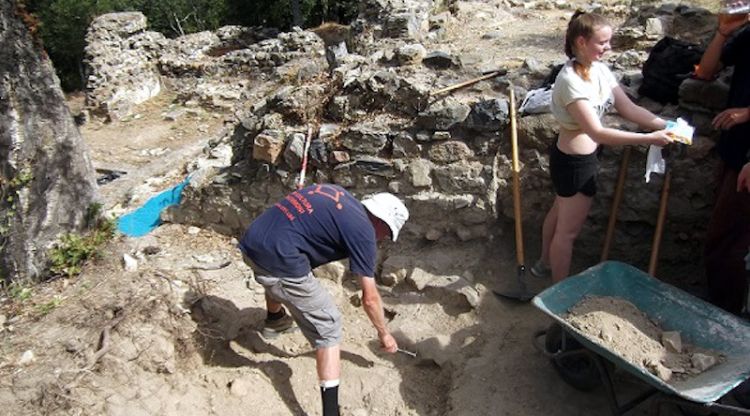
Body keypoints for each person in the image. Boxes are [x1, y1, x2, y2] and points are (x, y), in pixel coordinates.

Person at [238, 183, 409, 416]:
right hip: (276, 262)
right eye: (387, 234)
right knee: (329, 326)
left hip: (252, 241)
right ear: (382, 223)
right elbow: (370, 299)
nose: (383, 239)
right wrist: (384, 333)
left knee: (285, 274)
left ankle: (275, 319)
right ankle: (331, 413)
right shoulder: (364, 233)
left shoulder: (336, 193)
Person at [532, 11, 672, 282]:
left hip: (580, 158)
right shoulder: (570, 81)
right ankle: (559, 291)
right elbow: (596, 131)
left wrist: (665, 124)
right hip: (574, 164)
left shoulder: (599, 70)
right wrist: (648, 139)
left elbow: (628, 108)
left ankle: (543, 264)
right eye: (603, 42)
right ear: (581, 42)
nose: (608, 48)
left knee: (560, 211)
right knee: (567, 232)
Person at [694, 13, 750, 316]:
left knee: (728, 244)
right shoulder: (746, 34)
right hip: (734, 152)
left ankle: (725, 319)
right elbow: (705, 71)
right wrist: (722, 32)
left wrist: (747, 113)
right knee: (724, 240)